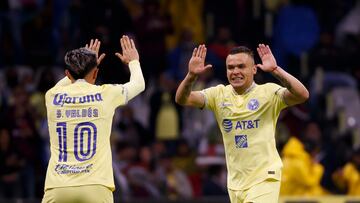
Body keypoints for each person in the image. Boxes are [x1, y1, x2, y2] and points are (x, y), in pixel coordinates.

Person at [175, 44, 309, 203]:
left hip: (264, 177)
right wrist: (191, 76)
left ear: (254, 69)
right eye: (230, 67)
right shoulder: (218, 94)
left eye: (241, 66)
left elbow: (302, 95)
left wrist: (276, 70)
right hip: (235, 183)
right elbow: (182, 99)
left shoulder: (268, 93)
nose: (235, 71)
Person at [42, 35, 145, 203]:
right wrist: (133, 61)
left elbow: (69, 79)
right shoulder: (106, 94)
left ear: (67, 74)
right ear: (96, 72)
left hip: (58, 186)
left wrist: (83, 65)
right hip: (96, 185)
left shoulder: (52, 96)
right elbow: (139, 84)